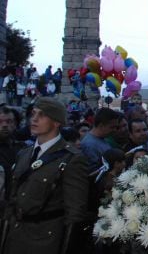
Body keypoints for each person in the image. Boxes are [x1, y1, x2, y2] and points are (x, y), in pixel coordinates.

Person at [1, 97, 90, 254]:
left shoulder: (72, 159)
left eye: (42, 115)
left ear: (56, 122)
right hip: (15, 237)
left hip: (45, 242)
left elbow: (75, 214)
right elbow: (13, 198)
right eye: (33, 114)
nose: (34, 119)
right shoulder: (24, 153)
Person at [79, 107, 122, 172]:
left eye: (116, 127)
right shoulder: (89, 145)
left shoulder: (102, 139)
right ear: (101, 125)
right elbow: (95, 171)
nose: (115, 130)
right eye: (112, 127)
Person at [0, 107, 23, 209]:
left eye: (9, 121)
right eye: (0, 122)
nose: (4, 125)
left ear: (15, 125)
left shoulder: (23, 149)